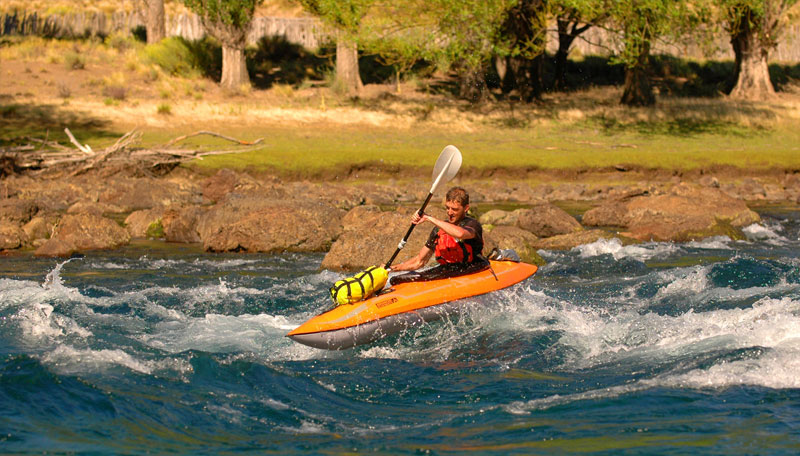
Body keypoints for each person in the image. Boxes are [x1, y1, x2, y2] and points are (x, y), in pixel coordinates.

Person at [387, 186, 489, 285]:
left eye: (454, 209)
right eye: (447, 208)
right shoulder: (439, 230)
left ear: (466, 208)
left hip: (473, 268)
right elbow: (420, 261)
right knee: (399, 279)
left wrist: (428, 218)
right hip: (447, 270)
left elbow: (460, 234)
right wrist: (393, 268)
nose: (450, 212)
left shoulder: (472, 225)